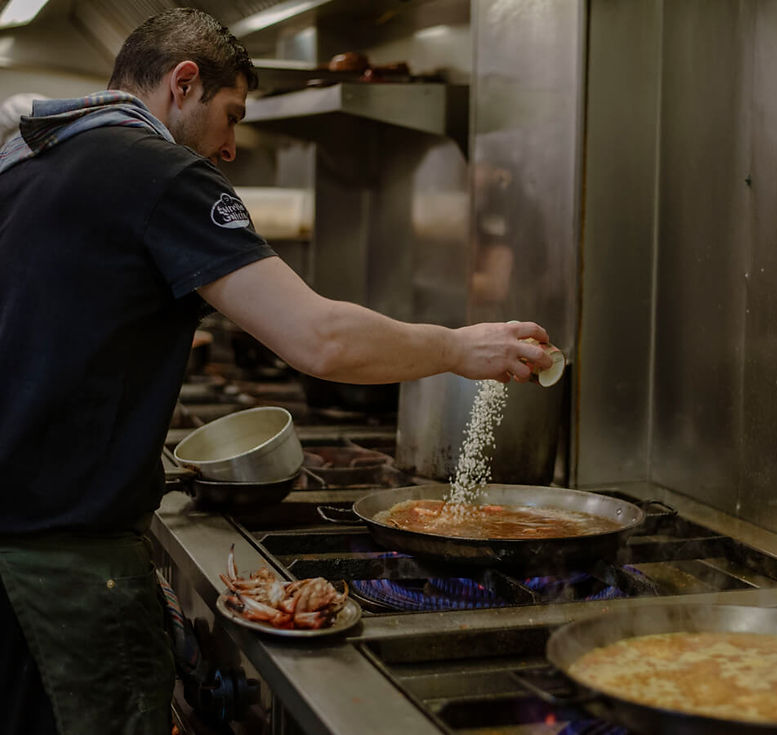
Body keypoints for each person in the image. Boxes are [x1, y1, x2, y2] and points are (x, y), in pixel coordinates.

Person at [0, 8, 553, 735]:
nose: (230, 147)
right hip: (66, 578)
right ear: (183, 83)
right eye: (230, 116)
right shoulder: (162, 172)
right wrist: (459, 348)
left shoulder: (31, 162)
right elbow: (320, 339)